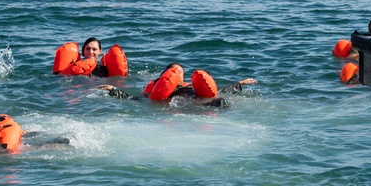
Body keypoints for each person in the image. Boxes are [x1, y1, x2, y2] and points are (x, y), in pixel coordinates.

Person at [100, 63, 257, 108]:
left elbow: (216, 91)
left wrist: (239, 83)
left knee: (221, 102)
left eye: (180, 72)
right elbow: (136, 100)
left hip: (201, 103)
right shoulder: (158, 92)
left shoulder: (190, 87)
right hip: (180, 108)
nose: (177, 74)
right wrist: (114, 90)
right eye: (173, 72)